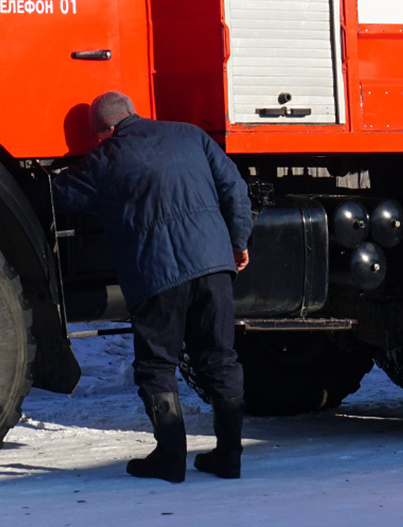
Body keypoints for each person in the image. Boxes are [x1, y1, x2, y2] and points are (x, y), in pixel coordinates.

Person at [53, 92, 254, 483]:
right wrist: (239, 240)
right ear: (132, 113)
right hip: (213, 265)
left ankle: (170, 457)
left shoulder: (105, 156)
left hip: (156, 274)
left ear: (105, 130)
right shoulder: (190, 135)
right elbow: (234, 187)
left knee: (158, 364)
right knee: (219, 357)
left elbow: (59, 197)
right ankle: (229, 456)